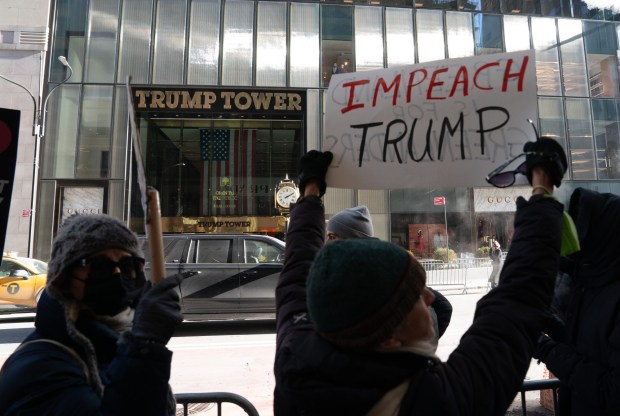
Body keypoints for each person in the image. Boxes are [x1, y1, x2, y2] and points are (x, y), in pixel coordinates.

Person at [274, 144, 566, 415]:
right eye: (413, 295)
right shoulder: (436, 401)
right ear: (389, 337)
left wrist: (310, 191)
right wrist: (541, 186)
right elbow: (514, 308)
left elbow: (298, 267)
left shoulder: (295, 356)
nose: (429, 297)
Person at [0, 214, 183, 415]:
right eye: (99, 266)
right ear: (65, 279)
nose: (116, 274)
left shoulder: (116, 346)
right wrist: (145, 346)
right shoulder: (39, 367)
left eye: (127, 265)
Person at [534, 187, 620, 415]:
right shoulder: (592, 283)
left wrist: (543, 347)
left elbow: (611, 392)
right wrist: (542, 321)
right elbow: (586, 347)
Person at [326, 205, 453, 341]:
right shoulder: (381, 268)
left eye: (332, 236)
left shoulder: (379, 273)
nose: (326, 242)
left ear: (352, 240)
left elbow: (442, 306)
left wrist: (419, 349)